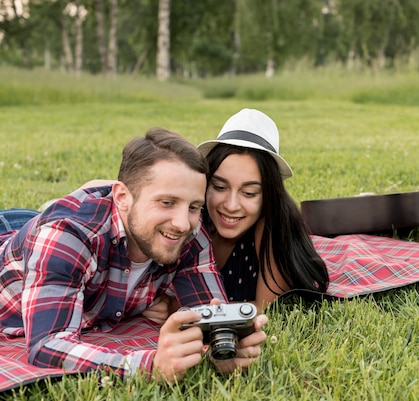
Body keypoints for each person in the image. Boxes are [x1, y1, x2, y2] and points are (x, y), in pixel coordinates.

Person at [0, 128, 268, 383]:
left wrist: (226, 347)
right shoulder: (65, 237)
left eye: (194, 206)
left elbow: (210, 312)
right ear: (122, 196)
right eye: (167, 202)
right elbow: (48, 345)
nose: (183, 223)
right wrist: (149, 366)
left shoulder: (191, 232)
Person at [196, 108, 329, 311]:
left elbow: (263, 308)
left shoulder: (272, 226)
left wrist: (188, 311)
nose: (231, 205)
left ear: (268, 194)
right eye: (220, 187)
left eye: (249, 193)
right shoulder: (192, 215)